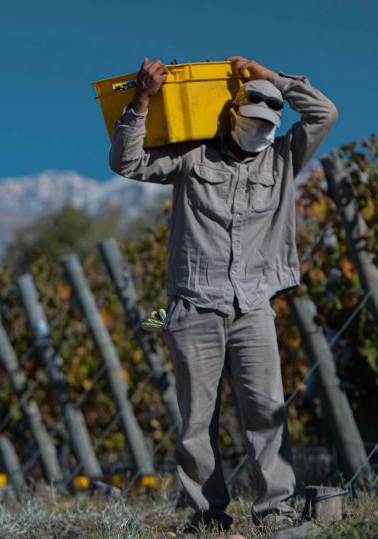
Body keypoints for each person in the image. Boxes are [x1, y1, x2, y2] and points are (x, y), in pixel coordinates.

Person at [108, 55, 338, 533]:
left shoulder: (284, 158)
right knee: (197, 421)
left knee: (266, 412)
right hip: (193, 306)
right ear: (234, 115)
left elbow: (324, 113)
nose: (259, 131)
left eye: (267, 125)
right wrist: (143, 98)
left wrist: (271, 76)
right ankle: (207, 516)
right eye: (252, 120)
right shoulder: (194, 156)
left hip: (254, 306)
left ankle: (275, 510)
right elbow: (126, 161)